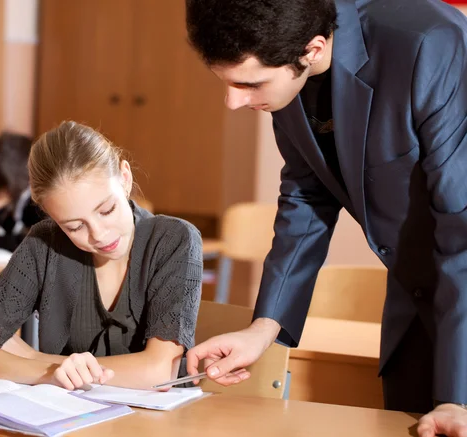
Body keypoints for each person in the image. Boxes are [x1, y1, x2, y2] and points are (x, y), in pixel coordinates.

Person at [184, 0, 467, 414]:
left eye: (251, 84)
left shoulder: (429, 43)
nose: (232, 102)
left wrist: (458, 397)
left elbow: (462, 225)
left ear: (312, 50)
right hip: (414, 306)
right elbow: (307, 194)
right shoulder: (288, 51)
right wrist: (265, 327)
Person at [0, 121, 203, 390]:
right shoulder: (44, 242)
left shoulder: (174, 239)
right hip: (71, 420)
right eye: (74, 226)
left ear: (125, 178)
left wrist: (38, 359)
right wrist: (50, 373)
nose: (99, 235)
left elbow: (158, 373)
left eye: (106, 210)